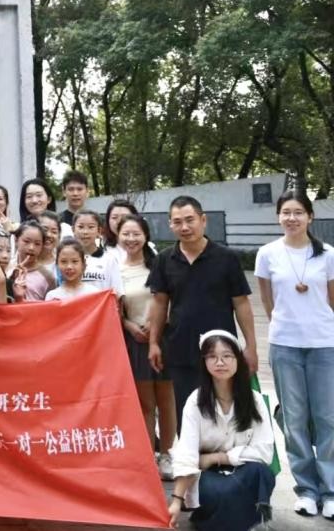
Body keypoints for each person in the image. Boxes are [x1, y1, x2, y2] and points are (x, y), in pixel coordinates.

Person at [253, 190, 334, 518]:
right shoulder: (267, 253)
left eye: (298, 212)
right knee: (294, 418)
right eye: (286, 212)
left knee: (327, 418)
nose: (292, 218)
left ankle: (330, 490)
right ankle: (306, 490)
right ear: (278, 217)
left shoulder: (327, 254)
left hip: (324, 344)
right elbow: (267, 299)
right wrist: (285, 324)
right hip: (285, 344)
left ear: (310, 217)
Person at [148, 196, 256, 422]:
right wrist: (154, 343)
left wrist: (251, 346)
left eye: (190, 220)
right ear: (170, 225)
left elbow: (241, 303)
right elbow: (159, 303)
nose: (184, 227)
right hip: (181, 349)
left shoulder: (226, 258)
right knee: (187, 414)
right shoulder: (164, 260)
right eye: (177, 222)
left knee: (225, 414)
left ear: (203, 220)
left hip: (221, 351)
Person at [169, 331, 276, 531]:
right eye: (212, 357)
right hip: (207, 475)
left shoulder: (255, 400)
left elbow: (264, 452)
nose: (220, 362)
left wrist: (216, 457)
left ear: (238, 360)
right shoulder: (195, 401)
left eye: (227, 356)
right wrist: (176, 500)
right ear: (204, 362)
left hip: (241, 469)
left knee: (261, 473)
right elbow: (187, 454)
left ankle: (239, 521)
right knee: (220, 491)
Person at [117, 214, 177, 480]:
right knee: (145, 403)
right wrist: (130, 326)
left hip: (163, 337)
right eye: (126, 234)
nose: (131, 239)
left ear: (145, 236)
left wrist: (155, 327)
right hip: (135, 341)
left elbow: (169, 300)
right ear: (118, 236)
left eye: (136, 234)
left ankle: (168, 454)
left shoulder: (159, 264)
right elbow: (116, 308)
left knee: (166, 400)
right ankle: (148, 455)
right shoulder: (116, 269)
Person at [70, 211, 122, 296]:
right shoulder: (66, 260)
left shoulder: (109, 259)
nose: (85, 232)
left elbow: (117, 292)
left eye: (91, 227)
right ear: (73, 230)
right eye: (80, 227)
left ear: (99, 231)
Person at [11, 221, 54, 302]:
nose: (31, 248)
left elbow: (51, 306)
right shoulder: (6, 268)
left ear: (42, 246)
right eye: (26, 241)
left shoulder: (48, 276)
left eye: (37, 244)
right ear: (16, 240)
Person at [103, 199, 140, 266]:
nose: (119, 221)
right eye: (114, 217)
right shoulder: (101, 249)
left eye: (125, 217)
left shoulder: (147, 248)